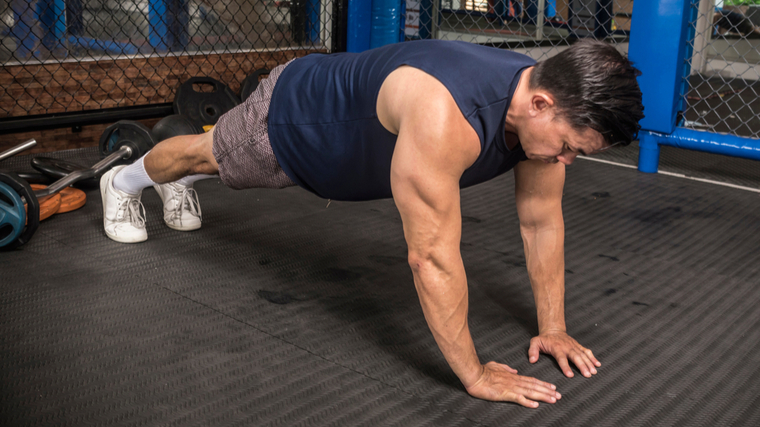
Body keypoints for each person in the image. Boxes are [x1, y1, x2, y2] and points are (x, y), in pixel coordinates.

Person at [99, 39, 644, 407]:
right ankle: (123, 183)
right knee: (206, 157)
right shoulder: (445, 114)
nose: (566, 162)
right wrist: (475, 374)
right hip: (296, 121)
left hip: (352, 155)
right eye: (570, 148)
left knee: (206, 166)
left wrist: (551, 328)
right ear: (542, 103)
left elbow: (542, 221)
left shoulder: (541, 121)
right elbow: (429, 256)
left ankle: (169, 184)